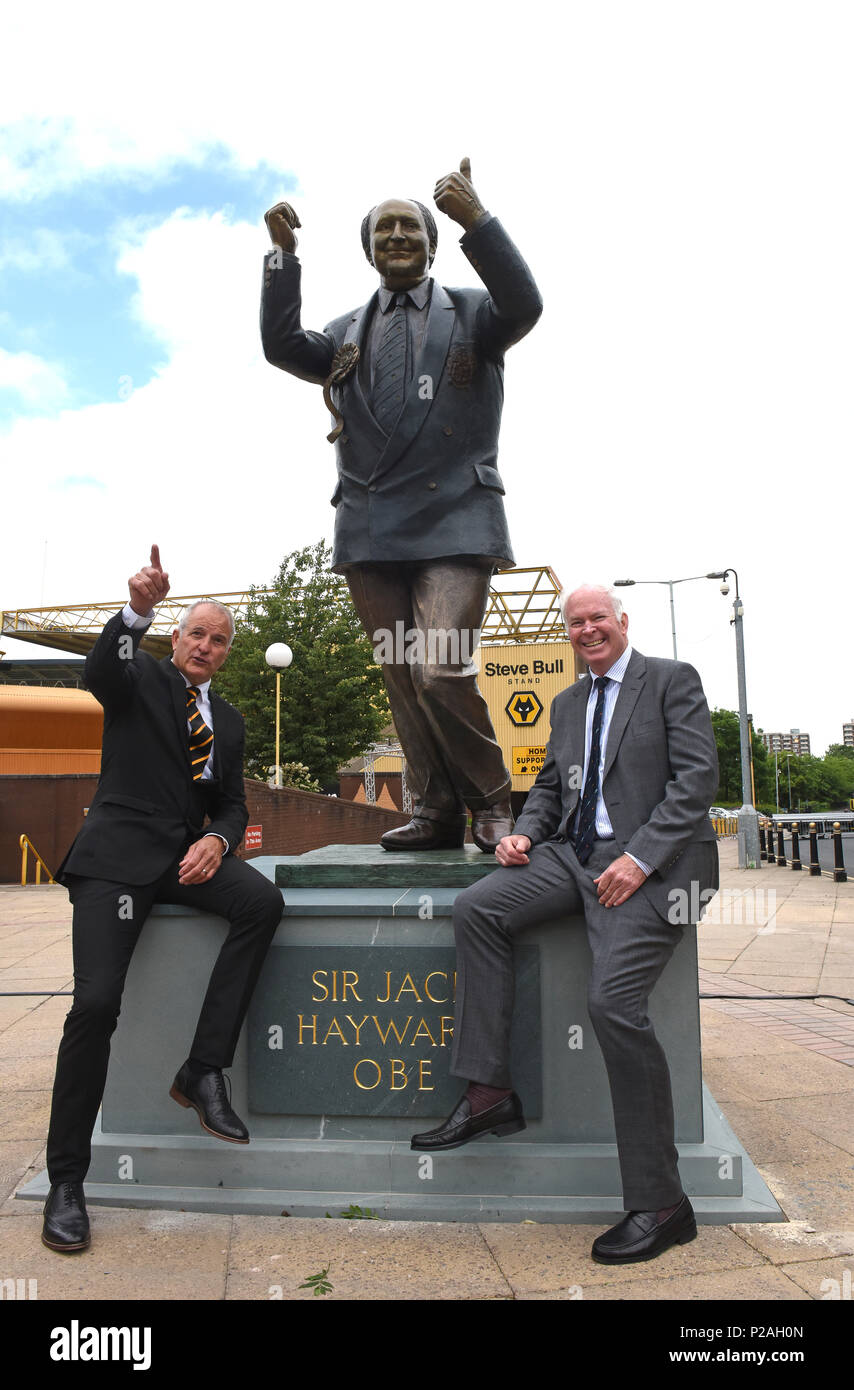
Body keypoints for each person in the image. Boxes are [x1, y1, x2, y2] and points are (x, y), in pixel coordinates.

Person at [411, 584, 720, 1265]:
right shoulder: (569, 701)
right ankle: (491, 1092)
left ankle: (662, 1203)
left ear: (622, 622)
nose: (587, 630)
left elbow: (697, 781)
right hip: (573, 856)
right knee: (478, 907)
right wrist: (523, 834)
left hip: (656, 866)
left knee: (612, 1004)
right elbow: (552, 785)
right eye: (575, 623)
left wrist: (640, 859)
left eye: (597, 619)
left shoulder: (671, 681)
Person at [260, 159, 542, 852]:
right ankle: (436, 809)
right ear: (368, 248)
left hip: (457, 520)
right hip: (372, 525)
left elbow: (526, 304)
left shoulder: (474, 313)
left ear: (432, 240)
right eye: (383, 228)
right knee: (400, 674)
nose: (396, 236)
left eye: (409, 226)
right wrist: (281, 260)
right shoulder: (344, 332)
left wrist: (478, 218)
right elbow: (280, 346)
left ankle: (490, 802)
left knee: (440, 667)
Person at [42, 546, 283, 1253]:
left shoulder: (231, 722)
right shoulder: (139, 679)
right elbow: (99, 672)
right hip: (116, 862)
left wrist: (220, 840)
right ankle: (67, 1182)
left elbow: (233, 804)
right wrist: (138, 610)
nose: (206, 646)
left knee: (262, 905)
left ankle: (203, 1069)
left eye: (219, 640)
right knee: (94, 1004)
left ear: (226, 654)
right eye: (196, 634)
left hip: (184, 859)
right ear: (175, 640)